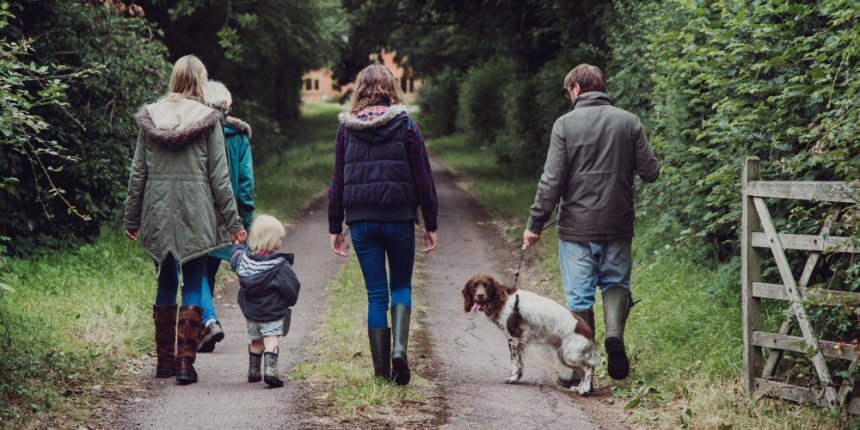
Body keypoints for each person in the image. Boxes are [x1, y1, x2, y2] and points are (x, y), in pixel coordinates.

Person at [523, 64, 659, 386]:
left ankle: (581, 369)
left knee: (580, 297)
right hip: (618, 224)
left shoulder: (565, 125)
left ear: (577, 90)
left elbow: (551, 180)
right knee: (615, 283)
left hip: (577, 229)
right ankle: (614, 336)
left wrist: (535, 223)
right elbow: (651, 171)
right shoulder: (629, 121)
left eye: (568, 92)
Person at [123, 54, 247, 385]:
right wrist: (235, 224)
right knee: (192, 282)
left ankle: (164, 363)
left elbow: (138, 173)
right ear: (201, 82)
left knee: (165, 281)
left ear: (175, 79)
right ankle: (184, 364)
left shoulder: (151, 116)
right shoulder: (209, 119)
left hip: (157, 213)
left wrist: (131, 219)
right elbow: (220, 178)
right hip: (197, 214)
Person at [328, 64, 439, 385]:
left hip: (361, 222)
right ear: (391, 89)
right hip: (400, 218)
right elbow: (423, 178)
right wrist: (430, 223)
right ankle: (399, 352)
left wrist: (336, 227)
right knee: (401, 286)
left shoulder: (346, 130)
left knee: (375, 295)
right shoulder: (406, 126)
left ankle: (380, 372)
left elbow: (337, 181)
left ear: (359, 90)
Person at [195, 80, 256, 353]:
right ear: (226, 107)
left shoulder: (195, 133)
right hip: (228, 215)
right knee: (207, 270)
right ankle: (204, 327)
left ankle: (207, 323)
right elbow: (245, 185)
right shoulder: (239, 136)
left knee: (197, 273)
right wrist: (244, 221)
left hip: (198, 211)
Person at [230, 215, 300, 388]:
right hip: (273, 313)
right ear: (272, 240)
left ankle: (253, 372)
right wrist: (290, 301)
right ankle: (271, 372)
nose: (281, 241)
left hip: (251, 313)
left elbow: (235, 258)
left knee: (256, 341)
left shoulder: (245, 261)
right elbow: (292, 286)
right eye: (279, 238)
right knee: (271, 340)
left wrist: (237, 245)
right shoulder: (279, 264)